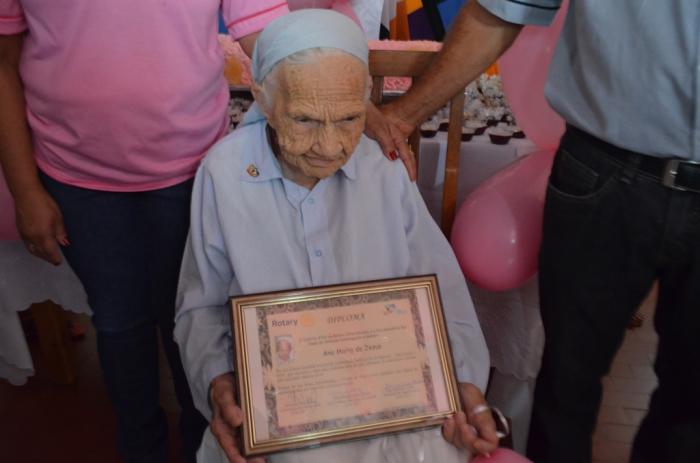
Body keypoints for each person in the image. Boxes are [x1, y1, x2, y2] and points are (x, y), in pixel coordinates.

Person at [369, 1, 700, 462]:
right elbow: (502, 9)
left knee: (693, 403)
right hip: (606, 171)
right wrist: (399, 119)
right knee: (567, 383)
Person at [174, 9, 500, 463]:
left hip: (395, 407)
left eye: (349, 119)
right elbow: (200, 308)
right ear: (263, 100)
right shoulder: (224, 174)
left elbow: (442, 294)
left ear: (366, 98)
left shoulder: (383, 171)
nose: (330, 147)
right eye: (305, 120)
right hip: (279, 420)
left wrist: (463, 384)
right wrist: (216, 381)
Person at [0, 1, 290, 461]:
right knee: (119, 324)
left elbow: (272, 39)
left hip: (192, 168)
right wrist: (25, 190)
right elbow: (4, 61)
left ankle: (207, 442)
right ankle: (140, 444)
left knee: (193, 320)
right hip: (75, 177)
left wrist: (346, 97)